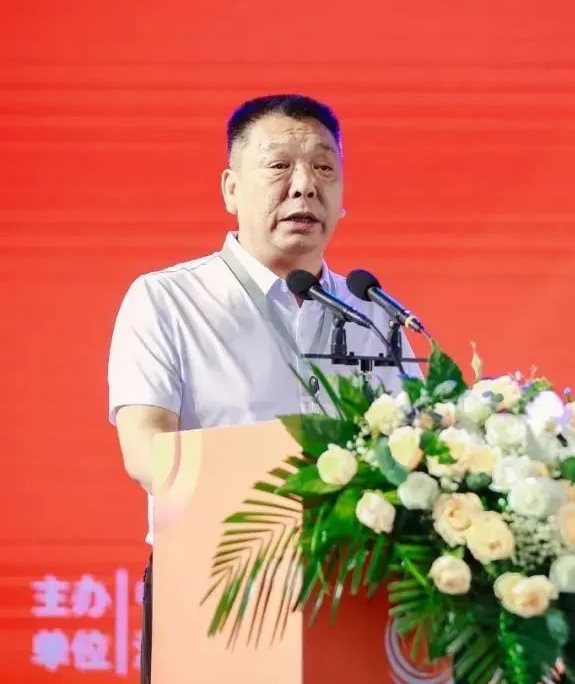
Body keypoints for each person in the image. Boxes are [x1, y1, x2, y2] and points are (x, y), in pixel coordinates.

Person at [106, 93, 419, 683]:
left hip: (358, 594)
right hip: (219, 584)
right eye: (279, 166)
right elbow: (147, 451)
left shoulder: (378, 316)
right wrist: (278, 498)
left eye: (324, 168)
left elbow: (421, 453)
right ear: (231, 189)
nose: (305, 186)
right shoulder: (167, 300)